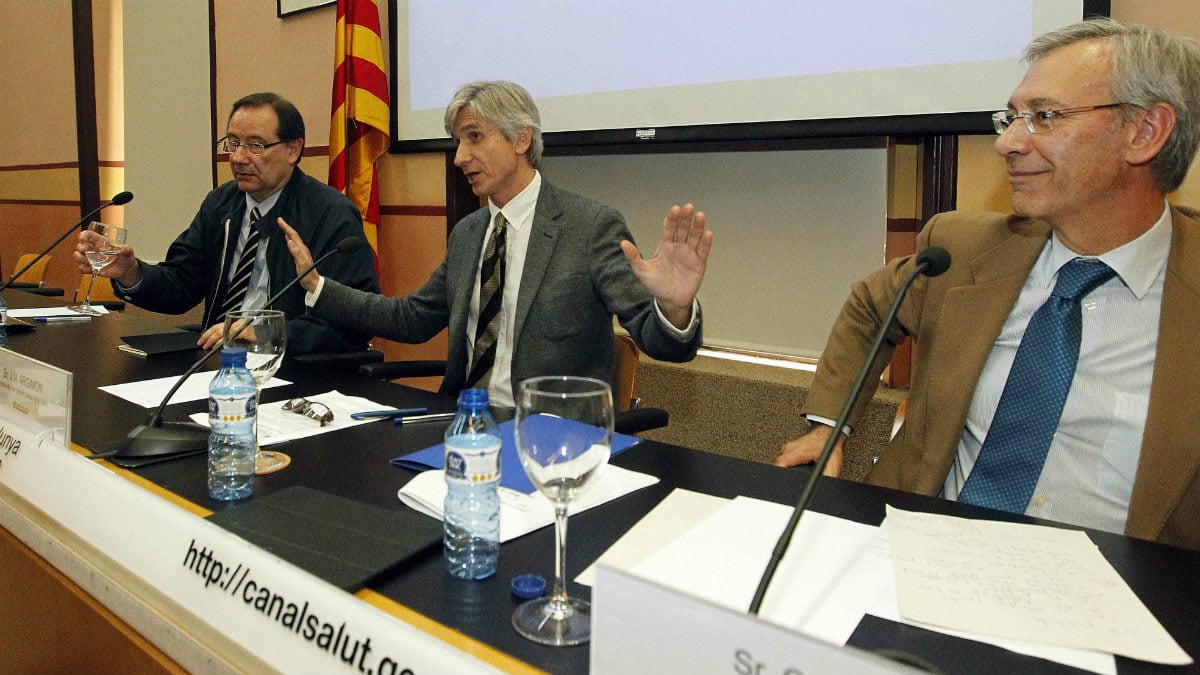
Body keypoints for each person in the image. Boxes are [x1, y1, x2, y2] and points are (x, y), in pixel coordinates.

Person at [776, 18, 1200, 551]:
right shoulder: (960, 250)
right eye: (1012, 117)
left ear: (1145, 132)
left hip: (1120, 606)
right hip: (910, 551)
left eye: (1044, 117)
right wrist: (829, 423)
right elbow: (870, 306)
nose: (1006, 143)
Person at [278, 80, 713, 407]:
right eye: (457, 142)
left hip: (550, 435)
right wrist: (317, 286)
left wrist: (674, 308)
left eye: (473, 137)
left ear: (521, 139)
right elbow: (412, 318)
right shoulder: (470, 233)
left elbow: (664, 344)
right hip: (462, 420)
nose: (459, 157)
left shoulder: (590, 226)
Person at [73, 92, 380, 355]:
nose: (238, 158)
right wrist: (131, 272)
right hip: (215, 360)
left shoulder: (330, 214)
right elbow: (182, 285)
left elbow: (352, 322)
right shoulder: (222, 203)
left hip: (290, 367)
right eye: (233, 143)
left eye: (256, 145)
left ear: (293, 150)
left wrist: (266, 332)